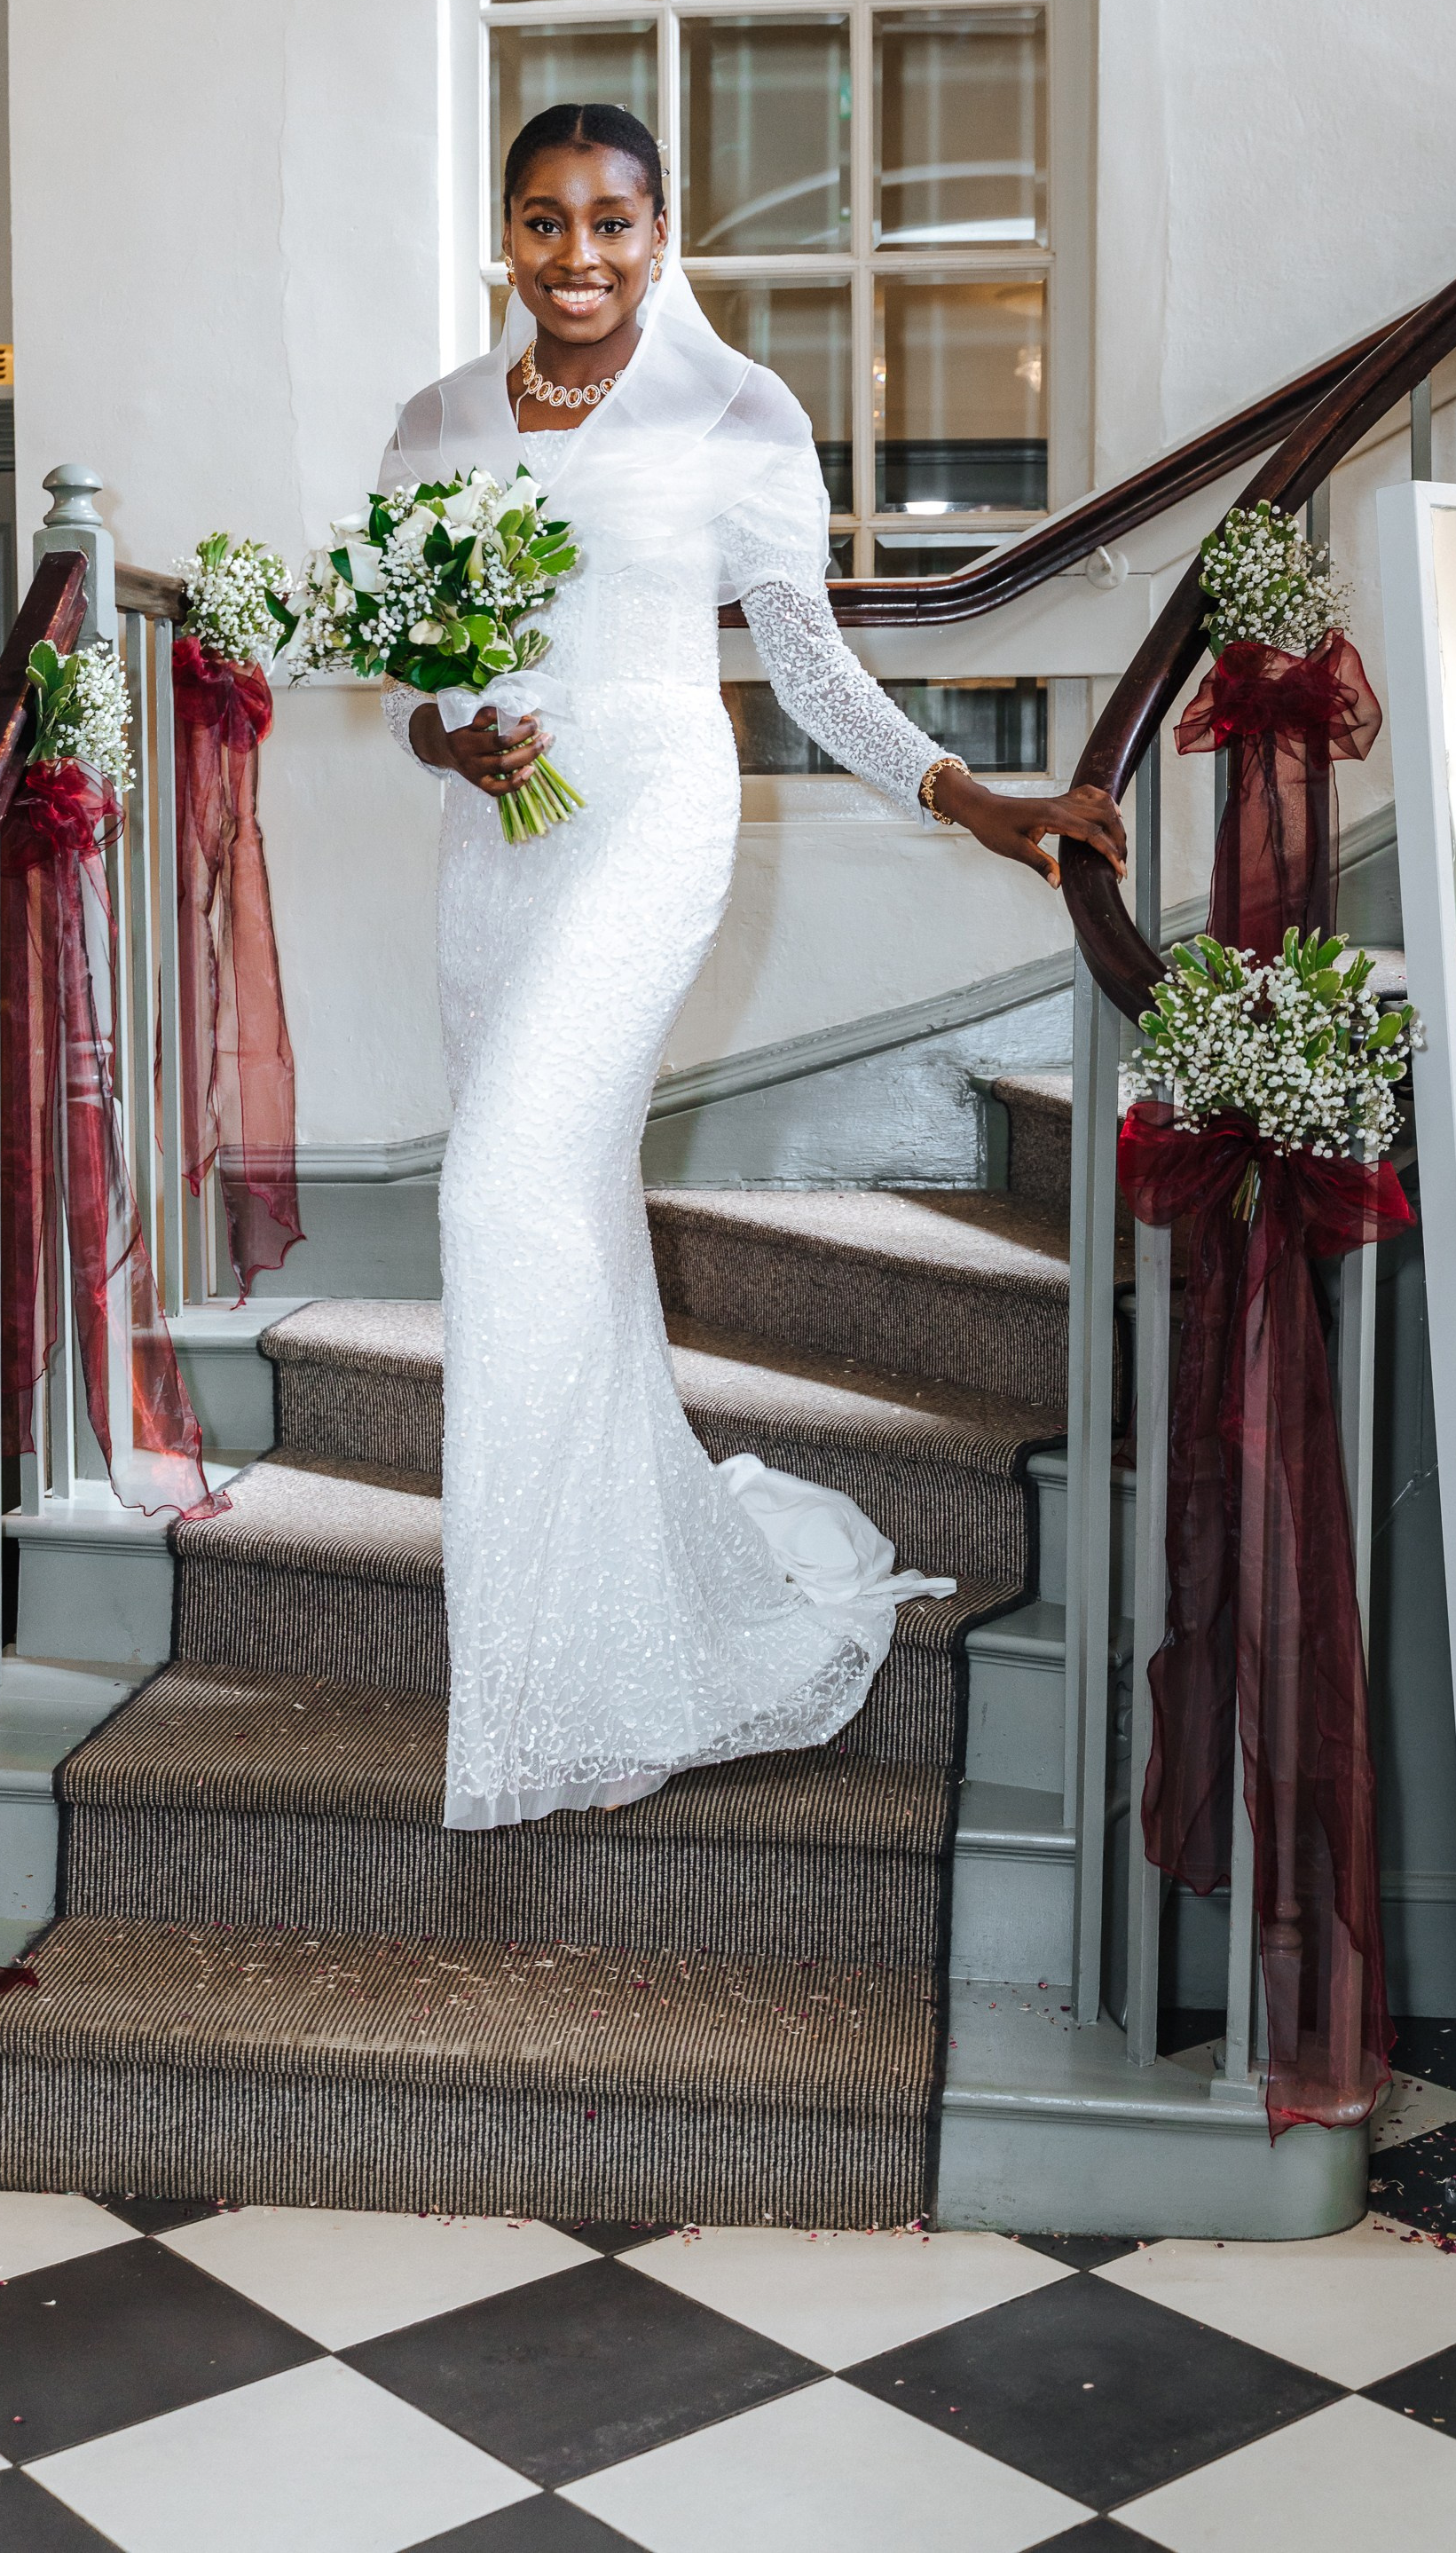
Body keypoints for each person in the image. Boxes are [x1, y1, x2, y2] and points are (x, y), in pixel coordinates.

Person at [385, 102, 1126, 1830]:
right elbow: (424, 683)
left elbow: (806, 665)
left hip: (649, 819)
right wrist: (452, 741)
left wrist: (971, 798)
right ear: (509, 235)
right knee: (563, 1216)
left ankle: (544, 1685)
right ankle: (601, 1618)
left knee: (497, 1191)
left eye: (611, 222)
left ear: (662, 234)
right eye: (545, 221)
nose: (578, 254)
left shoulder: (739, 411)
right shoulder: (439, 423)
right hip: (498, 853)